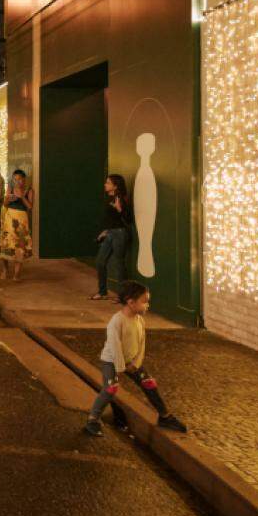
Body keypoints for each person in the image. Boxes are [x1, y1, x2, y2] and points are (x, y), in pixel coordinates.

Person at [84, 281, 188, 437]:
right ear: (131, 302)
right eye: (144, 301)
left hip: (131, 361)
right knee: (110, 388)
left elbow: (142, 343)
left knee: (149, 383)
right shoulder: (116, 321)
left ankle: (165, 417)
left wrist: (136, 363)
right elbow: (115, 346)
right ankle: (93, 420)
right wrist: (120, 368)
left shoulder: (139, 320)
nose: (147, 305)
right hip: (111, 361)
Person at [93, 174, 134, 300]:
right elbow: (109, 219)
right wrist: (104, 231)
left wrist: (120, 209)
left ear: (115, 186)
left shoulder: (120, 199)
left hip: (120, 233)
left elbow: (129, 218)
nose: (105, 185)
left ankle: (123, 295)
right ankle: (102, 292)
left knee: (118, 264)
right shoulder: (109, 198)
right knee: (100, 261)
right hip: (110, 233)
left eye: (108, 183)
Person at [0, 170, 34, 280]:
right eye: (15, 179)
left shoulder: (29, 190)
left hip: (22, 222)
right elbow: (4, 204)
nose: (17, 181)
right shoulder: (10, 189)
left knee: (20, 246)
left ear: (24, 179)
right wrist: (7, 199)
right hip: (9, 219)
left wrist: (22, 197)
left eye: (19, 179)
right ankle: (5, 270)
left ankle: (16, 274)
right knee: (6, 245)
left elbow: (30, 207)